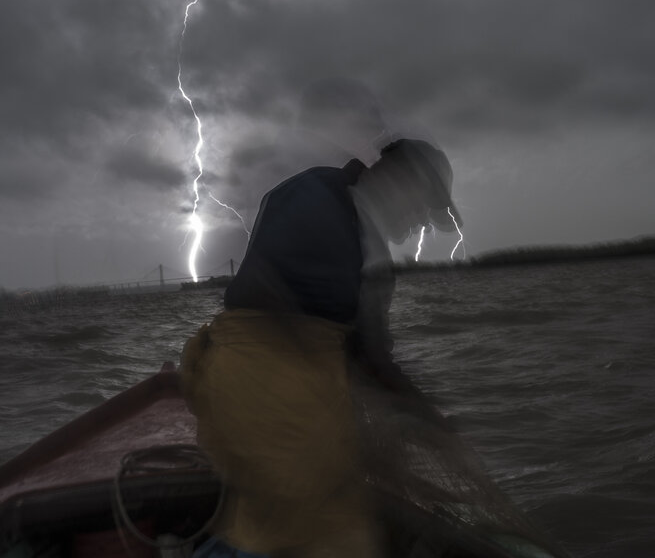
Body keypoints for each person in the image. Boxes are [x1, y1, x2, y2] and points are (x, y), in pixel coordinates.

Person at [180, 134, 461, 558]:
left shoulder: (345, 227)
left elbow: (368, 356)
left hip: (262, 387)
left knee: (262, 524)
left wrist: (416, 415)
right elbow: (366, 357)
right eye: (425, 206)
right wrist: (419, 418)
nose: (422, 223)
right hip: (270, 393)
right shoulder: (338, 216)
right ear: (403, 182)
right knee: (320, 531)